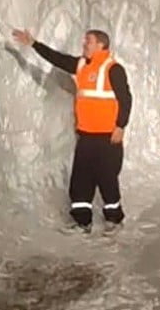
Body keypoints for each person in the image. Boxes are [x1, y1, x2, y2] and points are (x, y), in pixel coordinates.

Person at [11, 27, 132, 233]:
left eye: (88, 41)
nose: (84, 44)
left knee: (107, 178)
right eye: (84, 41)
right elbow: (58, 59)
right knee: (81, 180)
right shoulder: (82, 65)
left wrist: (120, 126)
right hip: (86, 135)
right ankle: (82, 221)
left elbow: (126, 99)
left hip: (107, 136)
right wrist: (33, 44)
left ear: (101, 45)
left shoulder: (113, 69)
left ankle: (114, 219)